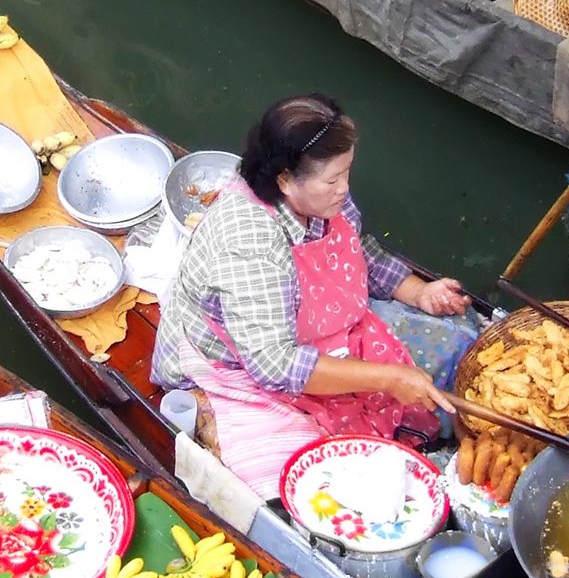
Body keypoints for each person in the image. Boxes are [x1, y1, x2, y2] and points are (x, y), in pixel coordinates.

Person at [153, 93, 475, 497]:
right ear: (285, 180)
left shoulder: (322, 200)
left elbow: (361, 250)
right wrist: (390, 379)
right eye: (333, 180)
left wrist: (420, 292)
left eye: (347, 172)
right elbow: (274, 364)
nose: (345, 188)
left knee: (460, 344)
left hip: (319, 329)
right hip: (239, 363)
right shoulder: (249, 243)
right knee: (306, 480)